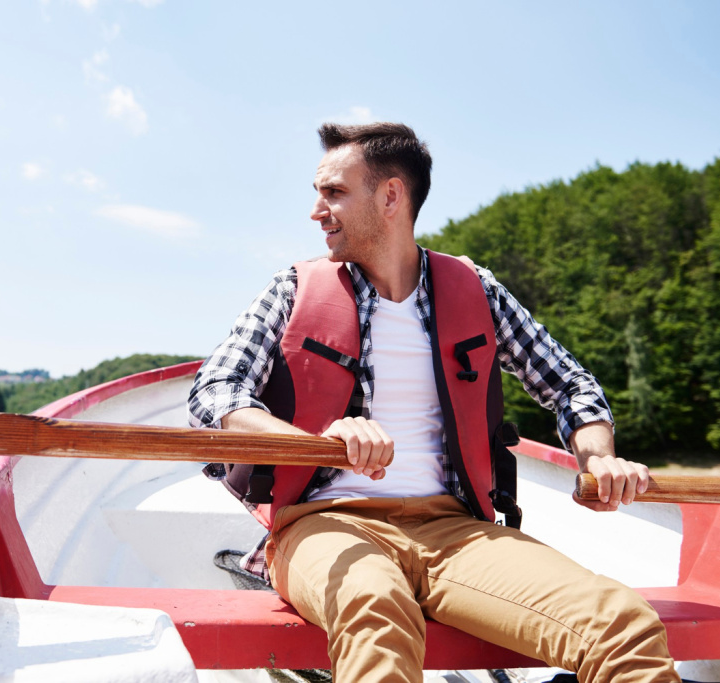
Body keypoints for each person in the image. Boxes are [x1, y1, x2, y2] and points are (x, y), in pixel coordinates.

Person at [188, 122, 679, 683]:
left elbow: (571, 384)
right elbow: (215, 392)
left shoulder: (477, 289)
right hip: (324, 524)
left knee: (624, 625)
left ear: (391, 196)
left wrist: (598, 458)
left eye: (333, 192)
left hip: (456, 531)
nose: (316, 210)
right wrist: (319, 446)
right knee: (376, 609)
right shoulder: (293, 288)